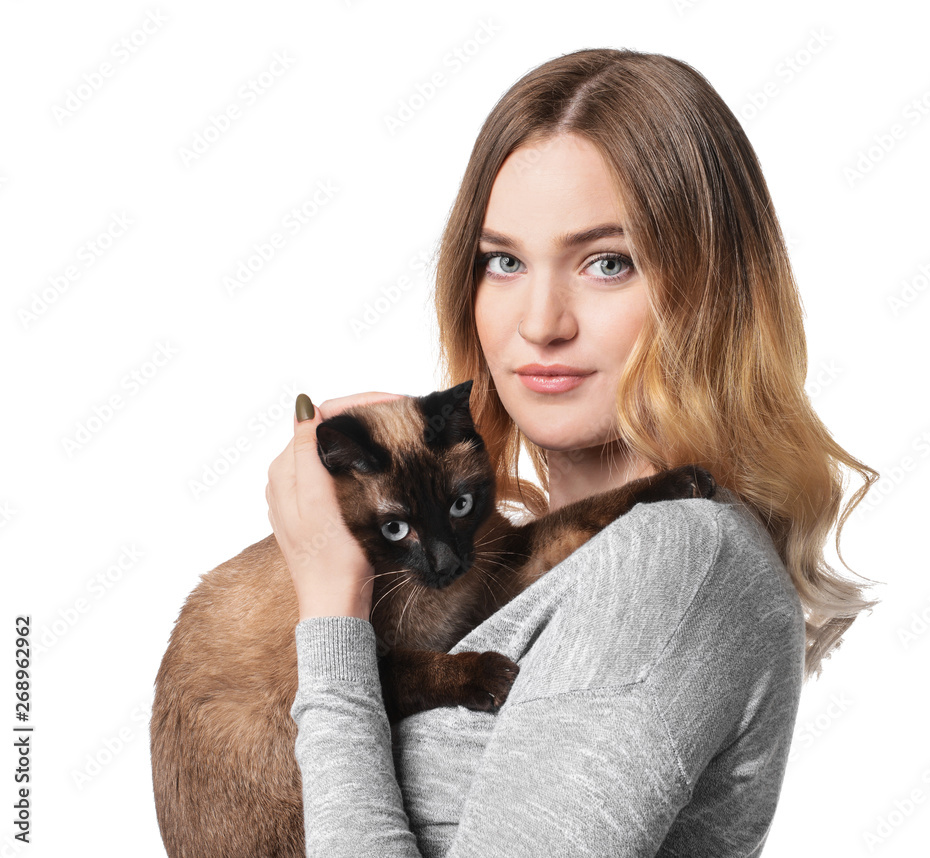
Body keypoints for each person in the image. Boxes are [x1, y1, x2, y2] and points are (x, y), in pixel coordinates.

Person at [264, 48, 879, 857]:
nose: (542, 321)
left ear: (708, 291)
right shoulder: (531, 555)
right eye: (505, 261)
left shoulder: (675, 559)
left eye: (607, 263)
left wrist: (329, 619)